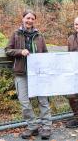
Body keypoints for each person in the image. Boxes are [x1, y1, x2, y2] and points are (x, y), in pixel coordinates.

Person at [5, 10, 52, 140]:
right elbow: (7, 50)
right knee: (24, 101)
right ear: (23, 18)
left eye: (32, 18)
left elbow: (46, 53)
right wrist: (20, 51)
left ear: (34, 20)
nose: (29, 20)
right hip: (21, 73)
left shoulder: (39, 36)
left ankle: (47, 127)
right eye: (27, 18)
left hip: (38, 74)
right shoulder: (16, 34)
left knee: (43, 100)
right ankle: (33, 126)